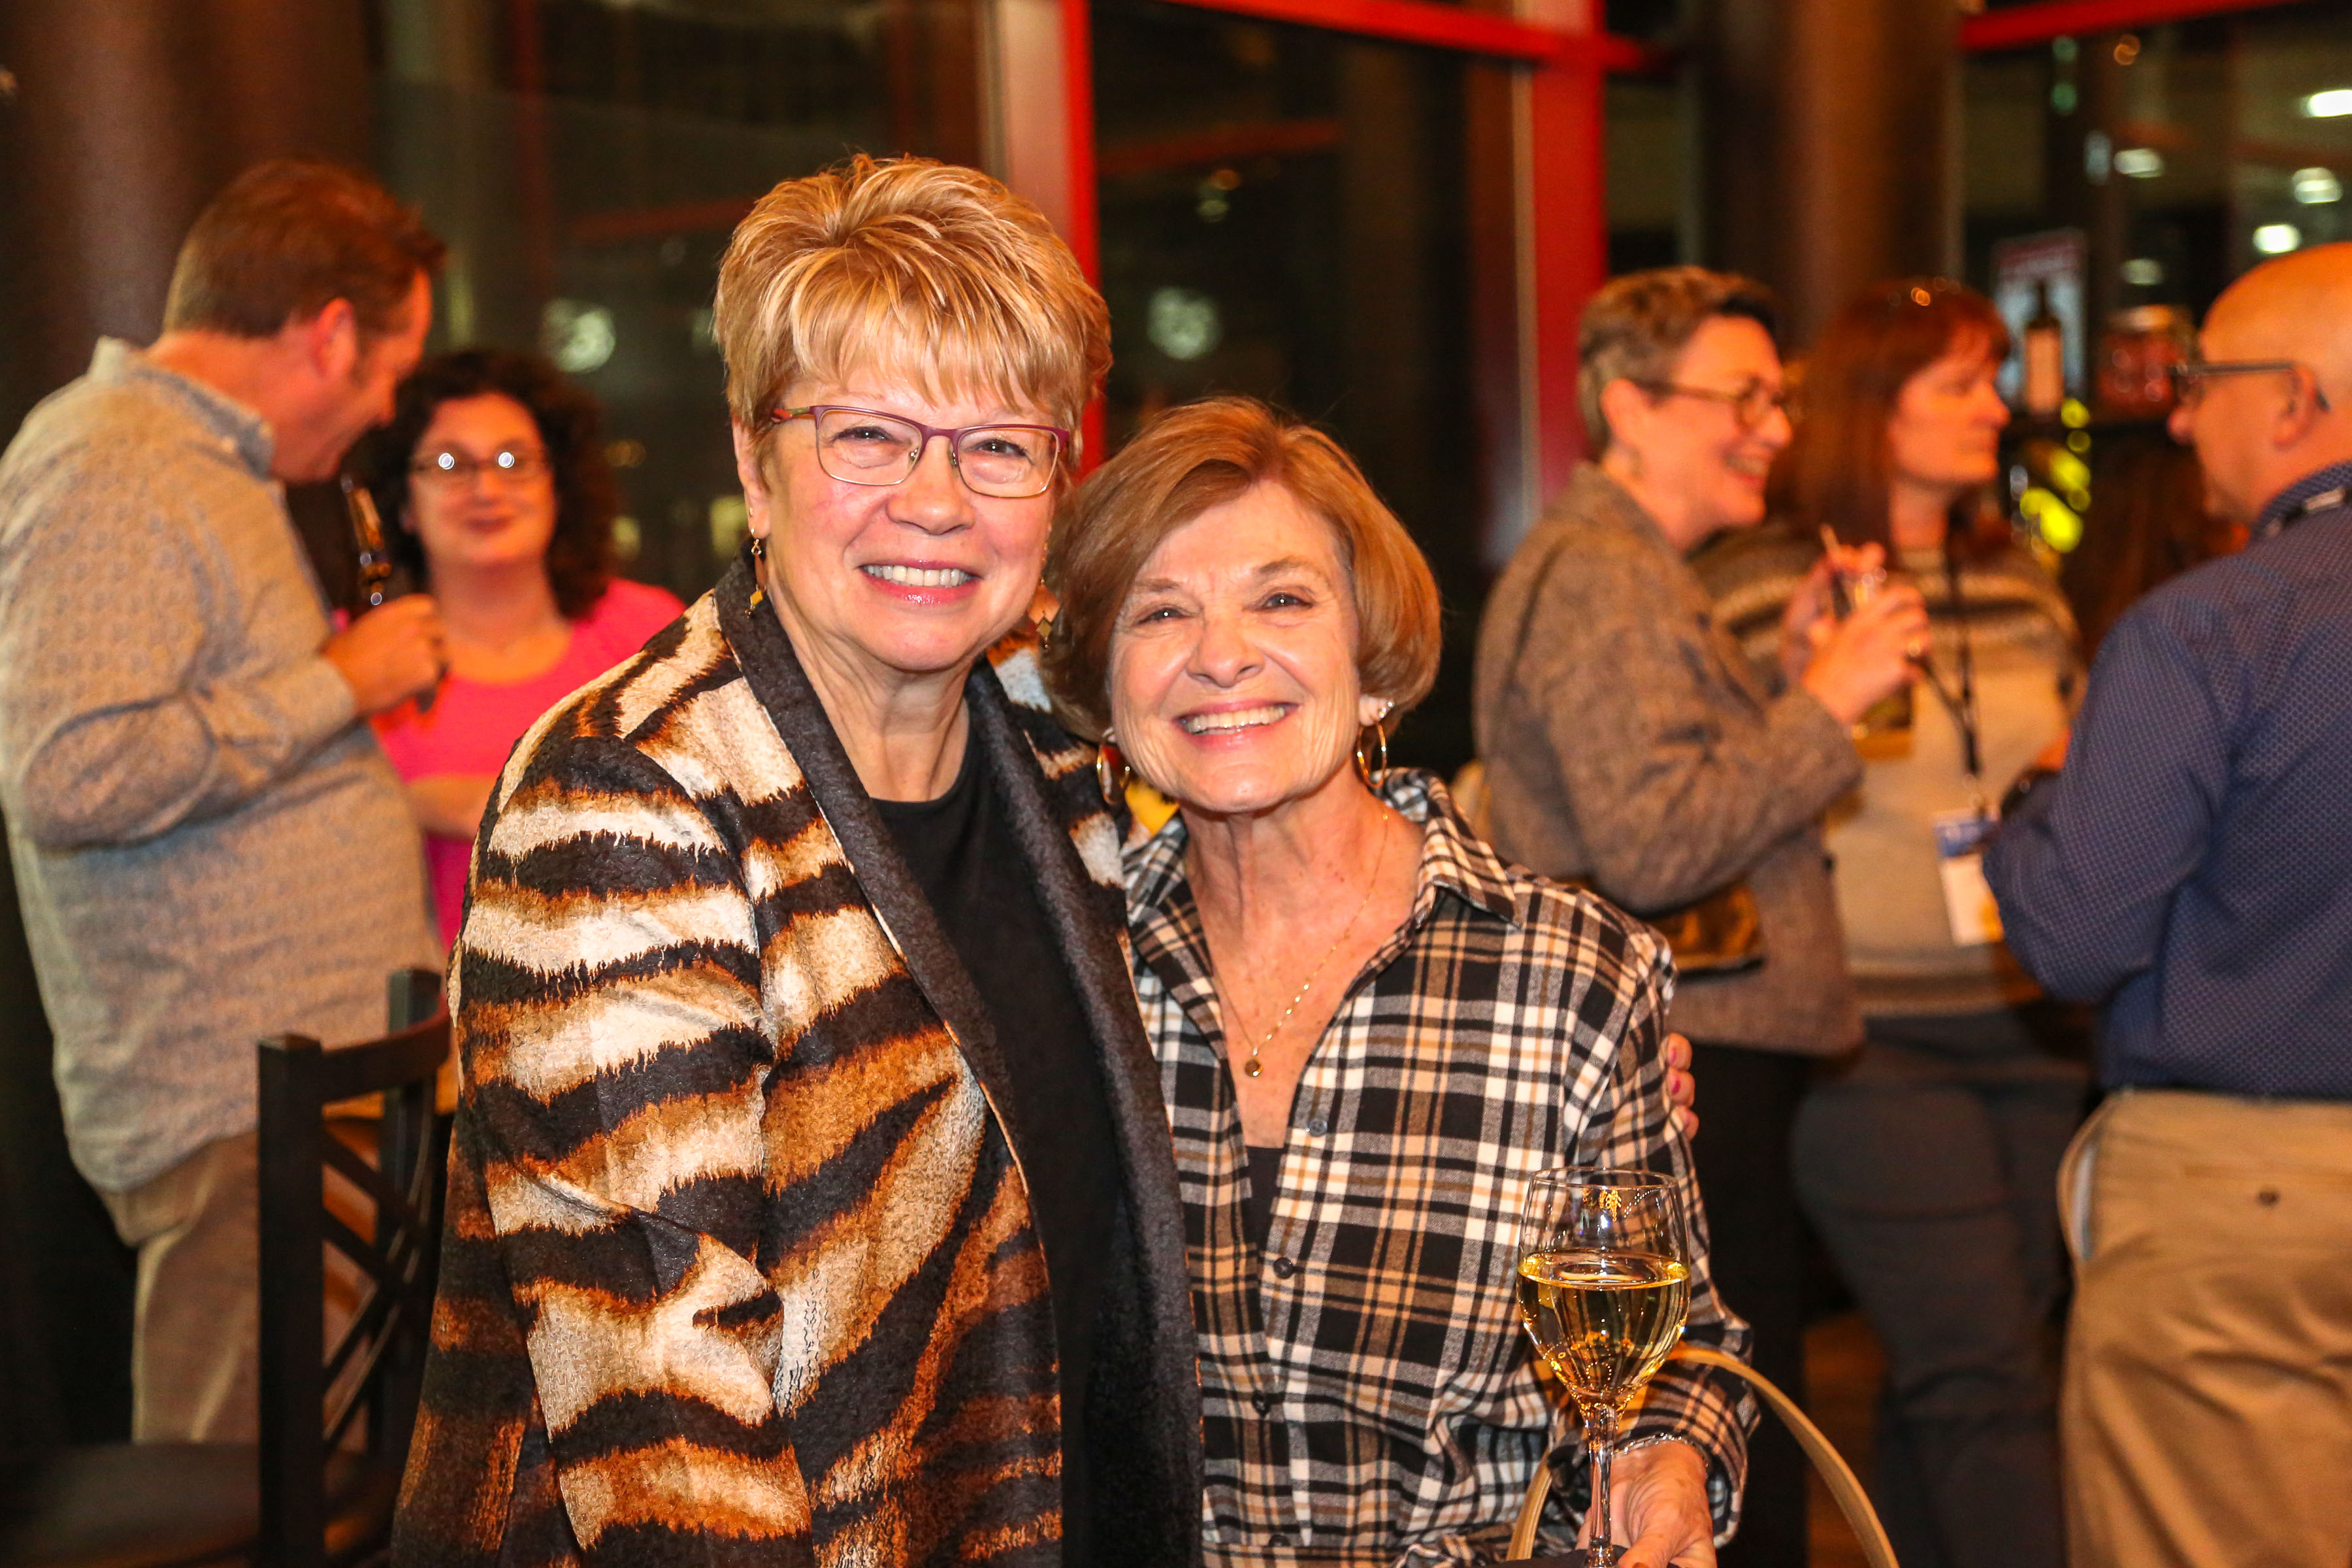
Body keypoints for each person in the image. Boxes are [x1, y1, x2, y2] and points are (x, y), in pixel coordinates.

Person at [391, 156, 1201, 1568]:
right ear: (753, 467)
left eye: (999, 445)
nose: (937, 501)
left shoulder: (1051, 761)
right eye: (867, 436)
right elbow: (666, 1433)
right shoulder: (624, 801)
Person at [1043, 395, 1750, 1568]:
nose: (1221, 655)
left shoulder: (1569, 978)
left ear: (1372, 666)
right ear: (1108, 695)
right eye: (1161, 611)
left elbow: (1672, 1353)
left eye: (1282, 600)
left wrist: (1667, 1457)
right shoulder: (1067, 969)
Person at [1471, 268, 1922, 1568]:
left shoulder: (1631, 570)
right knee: (1710, 1434)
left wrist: (1782, 677)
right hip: (1687, 1056)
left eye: (1780, 399)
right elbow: (1653, 839)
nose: (1776, 428)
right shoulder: (1605, 576)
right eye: (1744, 398)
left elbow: (1658, 787)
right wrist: (1827, 703)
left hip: (1706, 1043)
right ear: (1630, 406)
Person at [0, 160, 446, 1444]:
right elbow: (69, 774)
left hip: (294, 1104)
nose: (382, 412)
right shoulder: (111, 460)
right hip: (238, 1116)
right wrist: (337, 683)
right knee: (242, 1505)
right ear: (329, 333)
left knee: (311, 1495)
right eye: (389, 372)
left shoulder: (200, 466)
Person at [1697, 278, 2083, 1568]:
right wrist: (1808, 677)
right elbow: (1715, 792)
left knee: (1966, 1369)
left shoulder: (2019, 579)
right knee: (1981, 1371)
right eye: (1961, 384)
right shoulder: (1758, 582)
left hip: (2032, 1022)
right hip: (1874, 1039)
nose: (1997, 408)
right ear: (1877, 408)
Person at [1984, 242, 2352, 1568]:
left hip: (2246, 1200)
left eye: (2204, 383)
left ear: (2296, 399)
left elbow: (2075, 936)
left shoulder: (2211, 628)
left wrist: (2035, 808)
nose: (2183, 419)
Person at [354, 350, 683, 943]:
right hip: (423, 995)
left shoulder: (649, 634)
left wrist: (505, 804)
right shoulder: (358, 656)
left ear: (559, 485)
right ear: (402, 503)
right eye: (449, 464)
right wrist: (405, 806)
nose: (486, 488)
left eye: (514, 461)